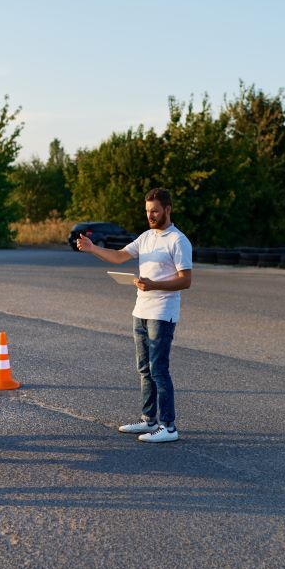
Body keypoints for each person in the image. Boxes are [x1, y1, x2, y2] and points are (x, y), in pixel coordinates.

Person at [77, 188, 192, 442]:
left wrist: (154, 285)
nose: (150, 216)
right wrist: (93, 248)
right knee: (144, 369)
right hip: (140, 310)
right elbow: (120, 256)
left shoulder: (178, 240)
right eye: (148, 211)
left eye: (155, 211)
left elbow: (186, 280)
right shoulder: (146, 237)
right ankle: (149, 420)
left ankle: (168, 427)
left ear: (168, 210)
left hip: (162, 313)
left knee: (158, 369)